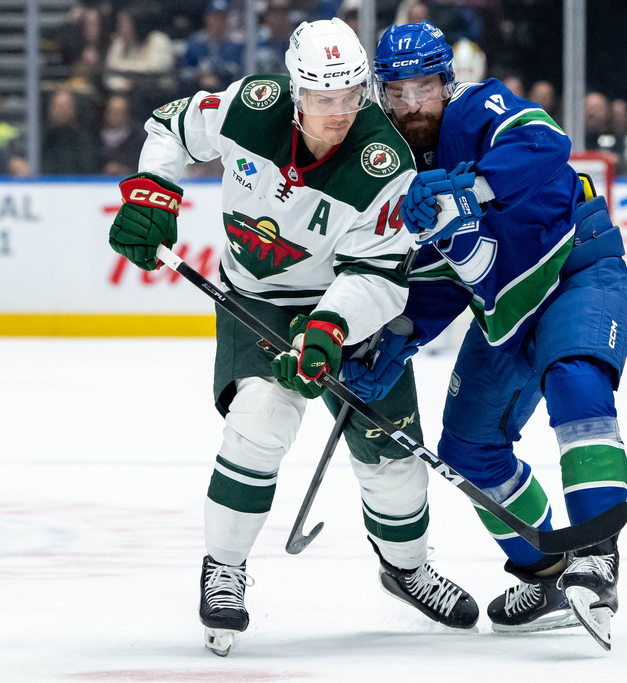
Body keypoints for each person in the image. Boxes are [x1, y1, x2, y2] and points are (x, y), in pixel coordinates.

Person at [107, 17, 478, 657]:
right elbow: (171, 123)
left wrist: (329, 328)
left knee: (391, 453)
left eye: (352, 97)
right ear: (296, 91)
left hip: (346, 307)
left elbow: (379, 277)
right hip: (256, 297)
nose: (340, 113)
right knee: (261, 419)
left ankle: (407, 568)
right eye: (325, 99)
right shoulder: (252, 107)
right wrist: (152, 193)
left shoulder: (380, 160)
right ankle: (224, 569)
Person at [357, 21, 627, 650]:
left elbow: (548, 142)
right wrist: (403, 331)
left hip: (576, 269)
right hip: (504, 308)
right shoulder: (391, 160)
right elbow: (441, 274)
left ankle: (596, 553)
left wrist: (473, 187)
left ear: (445, 81)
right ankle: (549, 571)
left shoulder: (477, 106)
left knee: (575, 378)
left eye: (423, 87)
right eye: (397, 92)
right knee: (468, 453)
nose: (411, 105)